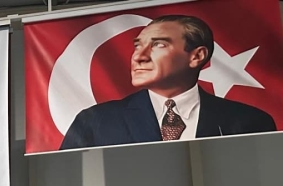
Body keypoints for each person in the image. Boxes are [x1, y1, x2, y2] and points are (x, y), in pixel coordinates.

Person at [60, 15, 276, 150]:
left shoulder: (250, 122)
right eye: (137, 46)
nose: (139, 56)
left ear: (197, 56)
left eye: (159, 45)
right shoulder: (96, 122)